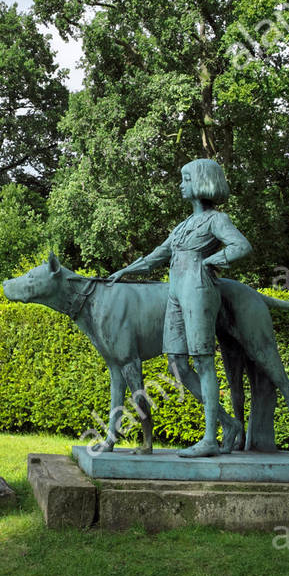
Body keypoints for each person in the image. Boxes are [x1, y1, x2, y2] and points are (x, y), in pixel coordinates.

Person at [106, 158, 250, 457]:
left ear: (200, 183)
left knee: (203, 361)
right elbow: (157, 255)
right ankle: (230, 425)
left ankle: (211, 437)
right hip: (176, 294)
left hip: (198, 291)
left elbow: (241, 246)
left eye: (185, 179)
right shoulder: (183, 226)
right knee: (177, 363)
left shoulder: (216, 220)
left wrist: (211, 261)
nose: (180, 185)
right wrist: (125, 271)